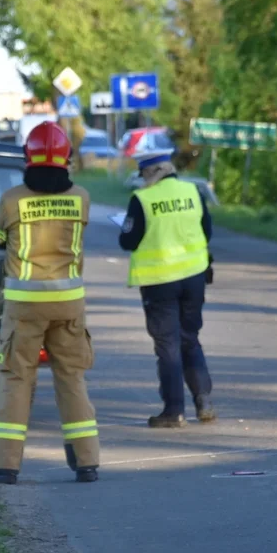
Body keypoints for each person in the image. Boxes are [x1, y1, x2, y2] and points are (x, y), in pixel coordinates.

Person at [0, 122, 101, 485]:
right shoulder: (81, 197)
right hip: (69, 305)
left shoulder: (12, 199)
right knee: (72, 378)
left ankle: (5, 465)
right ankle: (86, 462)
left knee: (16, 379)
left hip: (25, 305)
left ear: (27, 158)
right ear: (67, 159)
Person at [119, 152, 217, 428]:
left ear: (152, 173)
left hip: (160, 280)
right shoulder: (193, 191)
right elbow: (206, 231)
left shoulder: (143, 200)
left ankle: (174, 410)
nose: (143, 182)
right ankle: (203, 401)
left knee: (168, 345)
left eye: (145, 176)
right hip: (195, 277)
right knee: (189, 338)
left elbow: (128, 240)